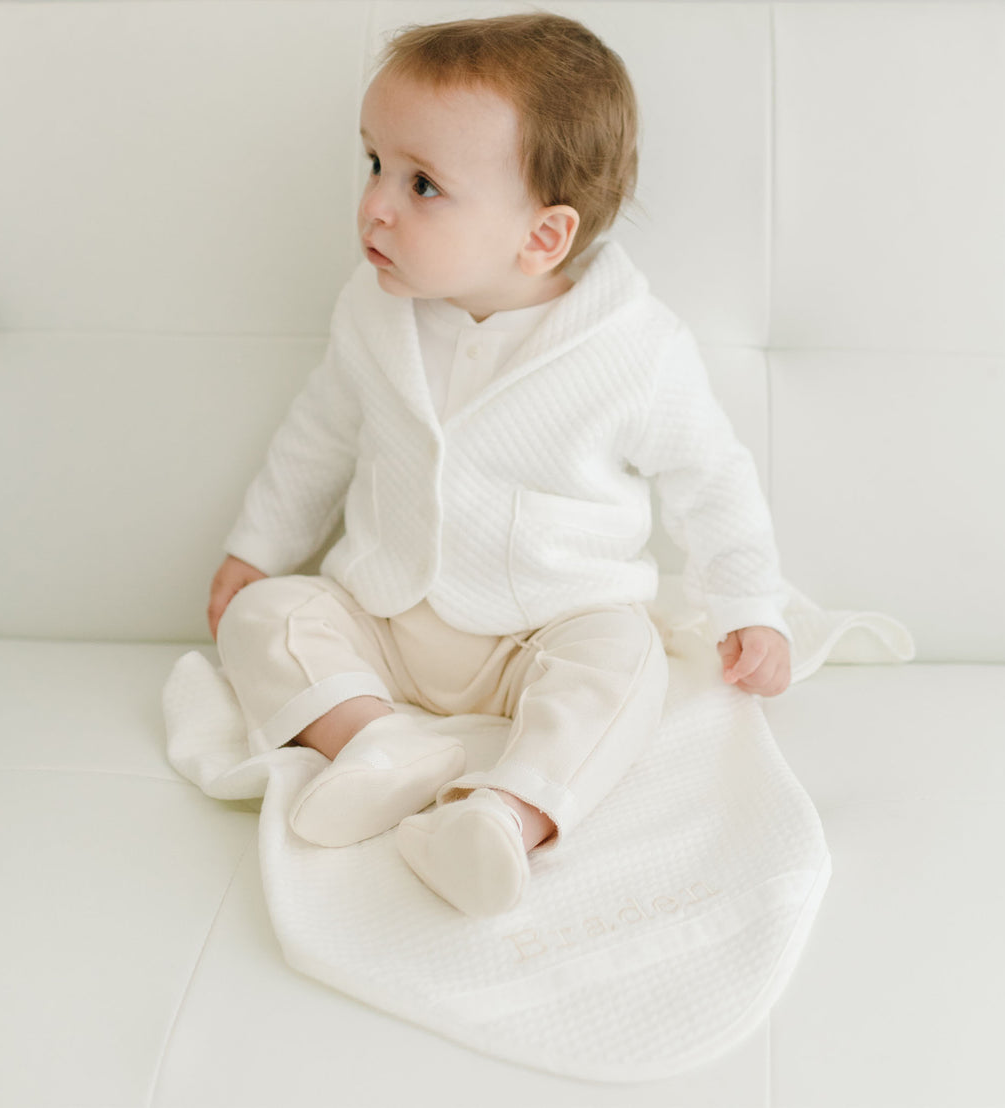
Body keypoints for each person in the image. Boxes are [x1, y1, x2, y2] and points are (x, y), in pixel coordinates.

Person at [206, 12, 791, 917]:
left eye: (423, 184)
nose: (376, 204)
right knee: (264, 616)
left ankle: (506, 816)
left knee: (627, 661)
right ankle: (377, 742)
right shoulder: (373, 312)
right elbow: (316, 437)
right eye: (373, 164)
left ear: (543, 237)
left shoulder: (631, 349)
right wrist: (257, 550)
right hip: (386, 616)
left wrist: (752, 605)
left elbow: (710, 479)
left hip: (545, 630)